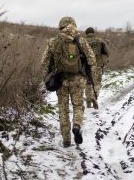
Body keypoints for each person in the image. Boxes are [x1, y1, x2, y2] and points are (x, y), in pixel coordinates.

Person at [40, 17, 97, 147]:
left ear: (60, 26)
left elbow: (44, 63)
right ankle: (77, 126)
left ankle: (66, 139)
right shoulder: (81, 40)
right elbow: (92, 59)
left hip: (60, 80)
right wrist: (89, 75)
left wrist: (46, 79)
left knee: (63, 109)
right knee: (78, 106)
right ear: (74, 25)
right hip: (77, 80)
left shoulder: (53, 42)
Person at [84, 27, 109, 109]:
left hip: (87, 65)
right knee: (97, 82)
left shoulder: (83, 41)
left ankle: (88, 103)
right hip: (98, 65)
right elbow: (107, 52)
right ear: (93, 33)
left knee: (88, 83)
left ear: (86, 33)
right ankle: (94, 97)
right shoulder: (100, 40)